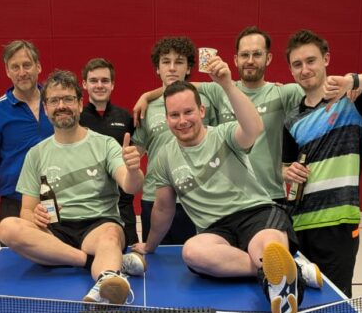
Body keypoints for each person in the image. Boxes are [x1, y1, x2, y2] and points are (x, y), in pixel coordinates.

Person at [134, 27, 324, 289]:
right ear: (166, 119)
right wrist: (150, 245)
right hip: (215, 230)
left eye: (188, 112)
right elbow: (164, 208)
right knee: (192, 252)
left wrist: (226, 84)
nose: (182, 120)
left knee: (264, 244)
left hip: (256, 213)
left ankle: (276, 276)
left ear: (202, 111)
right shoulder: (165, 157)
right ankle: (280, 270)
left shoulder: (223, 134)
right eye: (174, 115)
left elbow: (253, 128)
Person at [281, 29, 362, 297]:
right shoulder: (292, 119)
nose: (304, 69)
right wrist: (286, 171)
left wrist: (354, 80)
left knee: (335, 302)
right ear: (291, 70)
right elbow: (284, 166)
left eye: (311, 60)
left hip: (337, 223)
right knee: (302, 300)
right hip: (298, 224)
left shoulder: (352, 101)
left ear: (326, 59)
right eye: (297, 64)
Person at [0, 70, 146, 305]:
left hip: (98, 226)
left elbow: (130, 184)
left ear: (79, 103)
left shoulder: (105, 144)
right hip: (55, 232)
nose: (61, 106)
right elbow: (26, 210)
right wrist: (34, 216)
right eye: (54, 100)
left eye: (67, 99)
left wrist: (134, 170)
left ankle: (107, 282)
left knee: (111, 236)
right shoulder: (36, 154)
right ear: (46, 108)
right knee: (7, 227)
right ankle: (91, 261)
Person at [132, 37, 223, 246]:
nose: (172, 68)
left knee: (201, 258)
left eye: (179, 62)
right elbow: (137, 151)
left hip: (199, 197)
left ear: (189, 67)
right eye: (166, 62)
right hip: (154, 198)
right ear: (158, 68)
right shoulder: (147, 107)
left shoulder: (206, 101)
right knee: (157, 258)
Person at [0, 40, 53, 240]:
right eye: (15, 67)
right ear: (7, 71)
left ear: (38, 66)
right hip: (14, 203)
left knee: (59, 256)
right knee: (11, 259)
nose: (22, 72)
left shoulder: (55, 102)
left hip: (55, 200)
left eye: (27, 65)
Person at [78, 58, 138, 246]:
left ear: (112, 84)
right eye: (93, 80)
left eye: (105, 80)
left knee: (130, 254)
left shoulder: (125, 117)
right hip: (88, 204)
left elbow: (135, 153)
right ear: (84, 84)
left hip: (123, 203)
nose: (99, 85)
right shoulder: (76, 119)